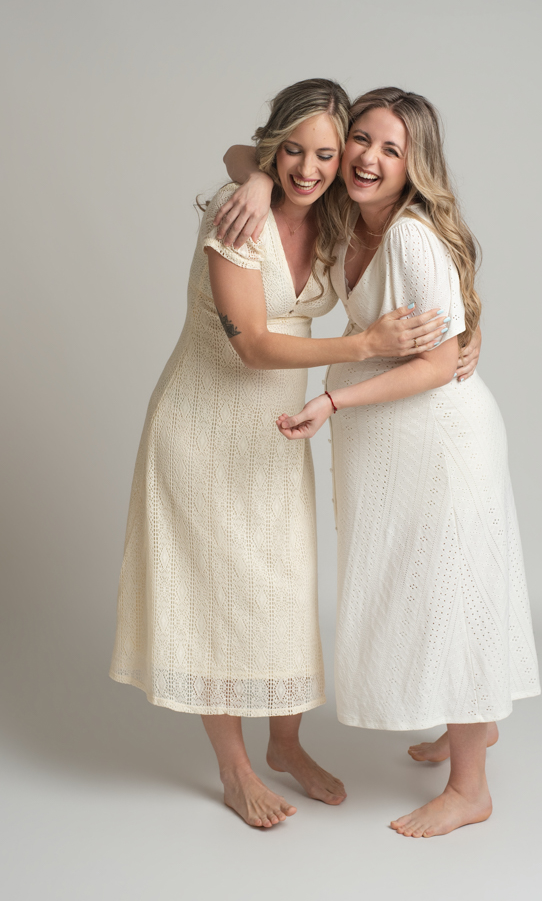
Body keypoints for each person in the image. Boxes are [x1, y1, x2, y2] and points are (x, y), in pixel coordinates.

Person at [109, 79, 446, 829]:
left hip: (275, 434)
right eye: (292, 152)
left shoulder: (330, 215)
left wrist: (465, 332)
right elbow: (257, 346)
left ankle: (286, 745)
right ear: (273, 145)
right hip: (200, 429)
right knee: (212, 595)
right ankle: (234, 768)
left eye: (326, 154)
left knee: (283, 590)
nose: (309, 168)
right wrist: (365, 345)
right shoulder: (235, 217)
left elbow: (256, 158)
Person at [275, 87, 541, 838]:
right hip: (401, 450)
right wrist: (262, 183)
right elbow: (247, 159)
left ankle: (470, 789)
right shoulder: (352, 222)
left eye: (391, 149)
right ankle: (473, 725)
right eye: (360, 139)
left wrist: (334, 401)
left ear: (414, 165)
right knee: (427, 592)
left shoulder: (410, 237)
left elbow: (437, 362)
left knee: (450, 595)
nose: (368, 158)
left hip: (442, 447)